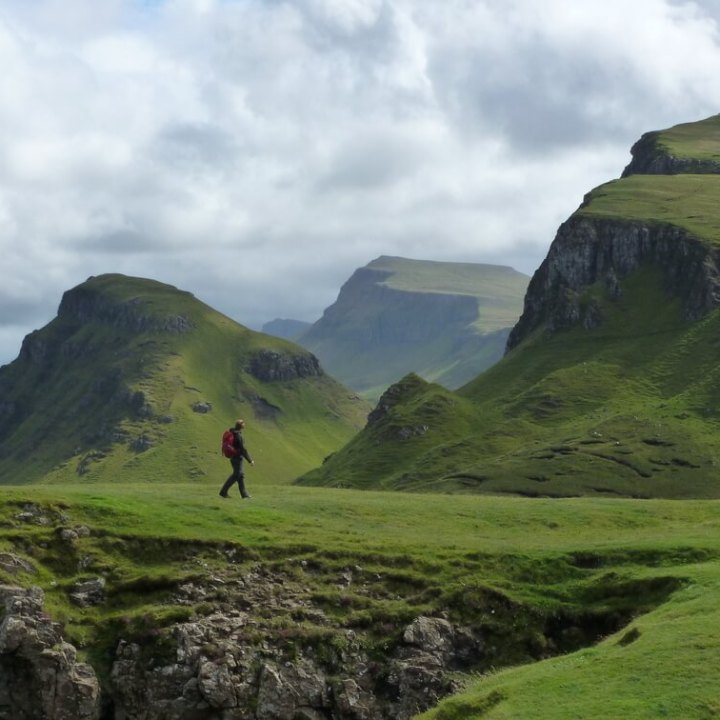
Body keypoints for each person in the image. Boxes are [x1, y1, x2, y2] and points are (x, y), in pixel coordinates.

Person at [219, 419, 254, 499]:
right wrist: (250, 460)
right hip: (237, 458)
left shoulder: (233, 432)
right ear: (241, 426)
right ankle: (223, 492)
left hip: (234, 457)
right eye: (244, 423)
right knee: (236, 475)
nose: (245, 424)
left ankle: (244, 495)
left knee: (240, 475)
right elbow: (242, 449)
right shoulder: (238, 435)